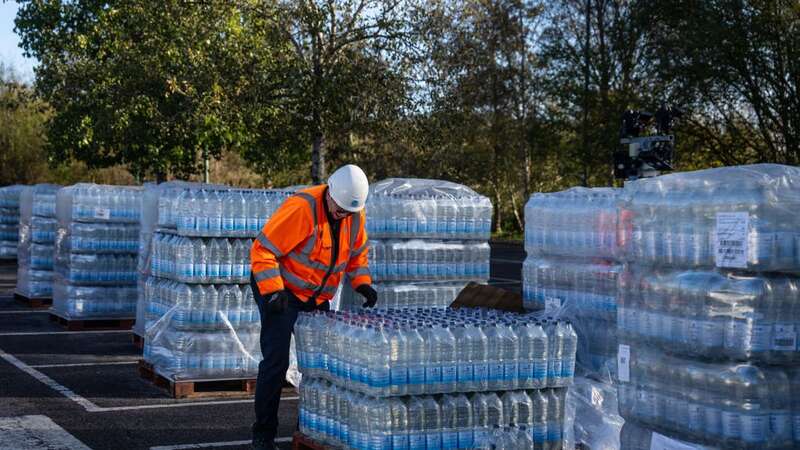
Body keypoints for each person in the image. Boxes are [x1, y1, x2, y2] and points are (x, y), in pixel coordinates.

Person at [249, 164, 378, 449]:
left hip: (315, 296)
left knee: (320, 367)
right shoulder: (303, 209)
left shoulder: (354, 216)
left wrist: (362, 283)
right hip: (280, 290)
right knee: (276, 360)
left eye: (348, 211)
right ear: (330, 192)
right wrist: (273, 292)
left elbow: (356, 256)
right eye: (340, 209)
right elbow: (263, 250)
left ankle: (307, 429)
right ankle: (263, 435)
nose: (341, 215)